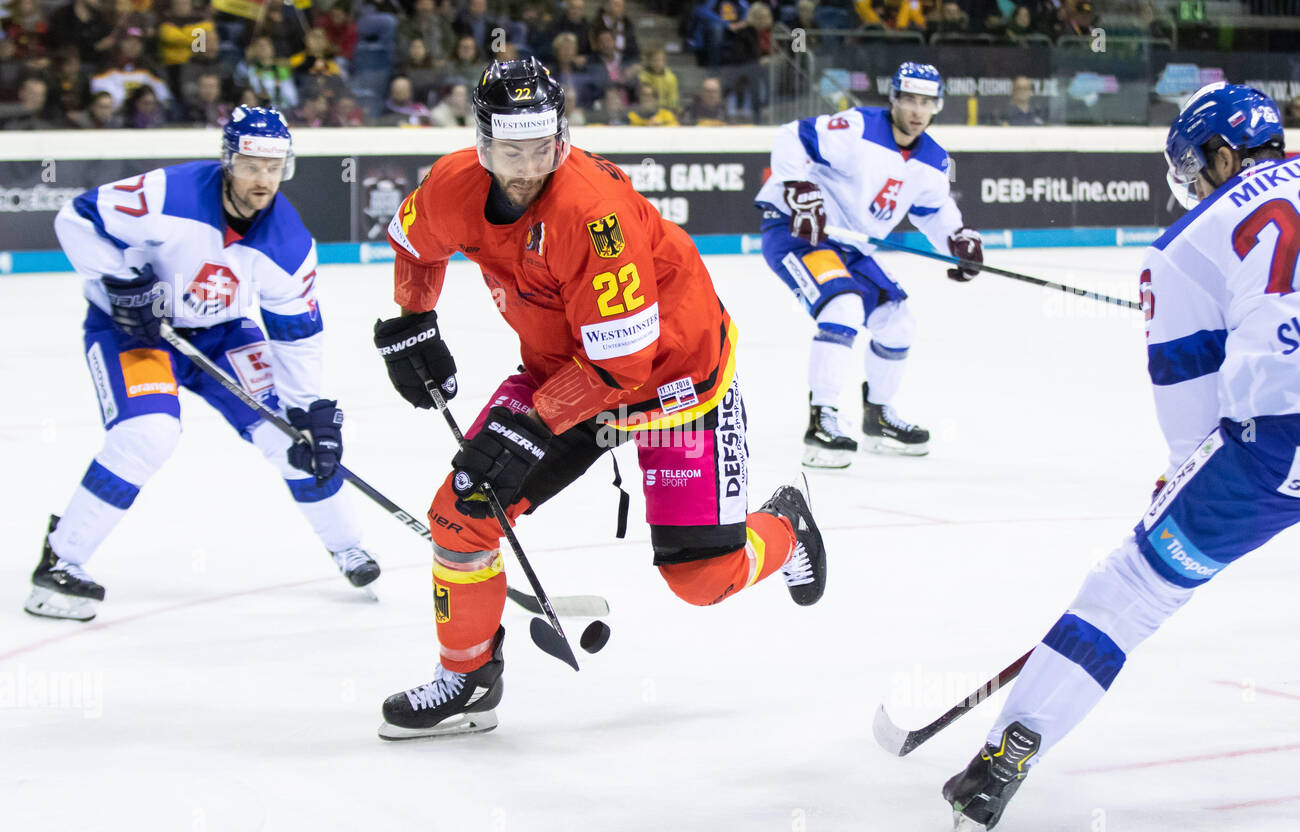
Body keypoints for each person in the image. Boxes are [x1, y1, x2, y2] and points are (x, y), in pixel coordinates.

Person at [372, 57, 827, 739]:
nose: (525, 167)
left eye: (540, 148)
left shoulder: (592, 212)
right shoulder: (452, 185)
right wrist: (413, 321)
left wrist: (527, 427)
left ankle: (786, 526)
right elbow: (413, 243)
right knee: (463, 515)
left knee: (702, 580)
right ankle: (467, 677)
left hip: (674, 385)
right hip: (563, 372)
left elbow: (621, 367)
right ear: (481, 142)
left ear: (561, 138)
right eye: (508, 149)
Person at [941, 83, 1294, 832]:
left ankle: (1006, 756)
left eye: (1196, 169)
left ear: (1223, 155)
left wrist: (1179, 480)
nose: (1194, 187)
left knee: (1129, 590)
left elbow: (1193, 424)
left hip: (1275, 451)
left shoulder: (1184, 246)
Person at [26, 107, 380, 622]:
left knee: (291, 439)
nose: (263, 180)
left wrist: (310, 411)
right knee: (148, 433)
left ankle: (348, 546)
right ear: (227, 161)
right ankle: (62, 558)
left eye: (274, 167)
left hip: (222, 334)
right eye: (251, 165)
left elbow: (297, 338)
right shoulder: (169, 194)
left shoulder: (289, 245)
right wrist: (123, 282)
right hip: (135, 330)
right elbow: (78, 218)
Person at [753, 62, 983, 467]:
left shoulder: (934, 161)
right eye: (909, 99)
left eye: (926, 102)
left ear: (937, 106)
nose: (916, 110)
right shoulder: (857, 127)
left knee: (897, 322)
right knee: (842, 307)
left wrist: (958, 240)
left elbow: (933, 211)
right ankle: (822, 421)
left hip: (850, 245)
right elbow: (793, 136)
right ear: (893, 98)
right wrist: (798, 187)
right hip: (799, 231)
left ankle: (878, 416)